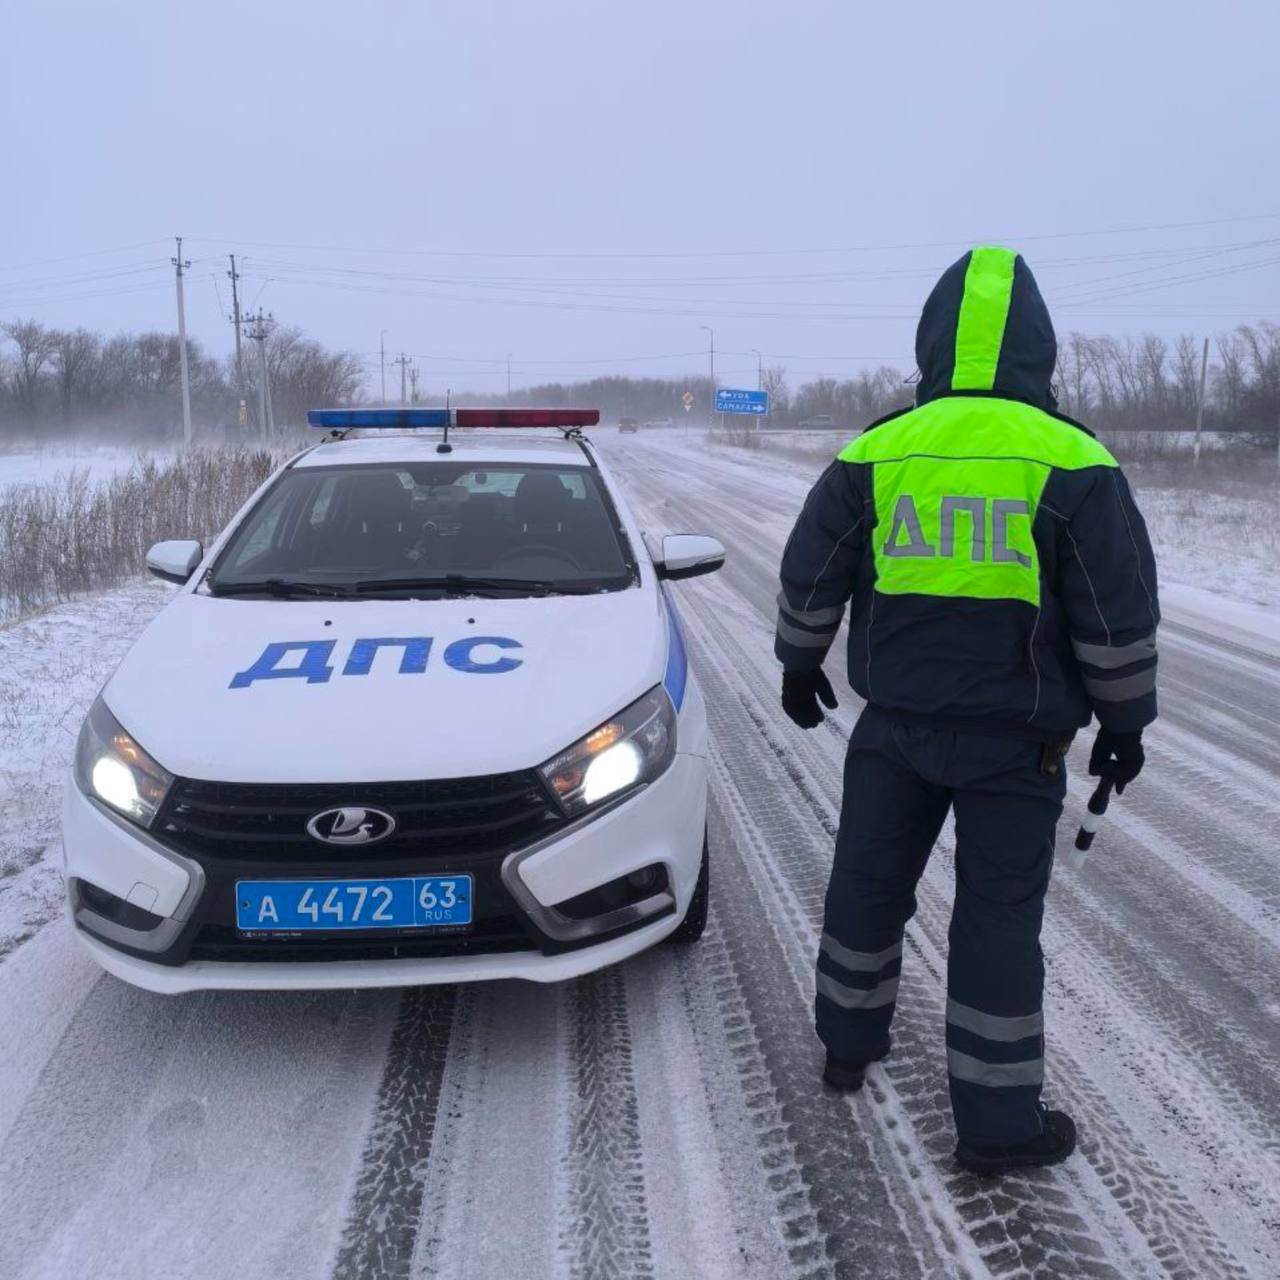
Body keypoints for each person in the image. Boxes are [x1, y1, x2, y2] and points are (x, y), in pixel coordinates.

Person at [775, 246, 1158, 1175]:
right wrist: (1122, 724)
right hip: (1016, 747)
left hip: (893, 732)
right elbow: (1114, 612)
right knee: (995, 922)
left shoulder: (878, 449)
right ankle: (996, 1127)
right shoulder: (1074, 461)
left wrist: (799, 660)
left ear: (934, 340)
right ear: (1037, 346)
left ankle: (846, 1049)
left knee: (865, 888)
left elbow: (812, 569)